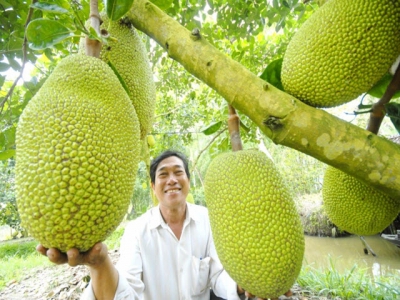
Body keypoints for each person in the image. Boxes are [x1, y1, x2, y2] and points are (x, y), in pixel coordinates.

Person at [37, 150, 243, 300]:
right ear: (153, 187)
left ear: (188, 181)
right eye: (163, 175)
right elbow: (128, 290)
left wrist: (241, 286)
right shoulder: (136, 230)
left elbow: (218, 275)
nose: (171, 180)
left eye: (178, 173)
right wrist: (98, 263)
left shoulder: (208, 220)